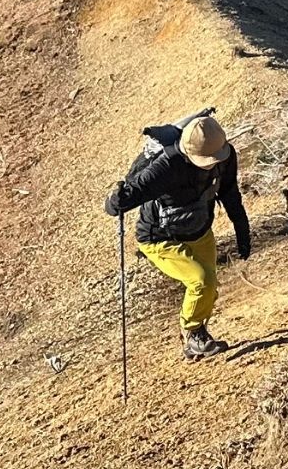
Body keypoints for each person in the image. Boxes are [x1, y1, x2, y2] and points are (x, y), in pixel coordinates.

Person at [104, 112, 252, 361]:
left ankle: (197, 334)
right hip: (160, 238)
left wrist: (242, 230)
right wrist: (116, 201)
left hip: (200, 231)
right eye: (207, 160)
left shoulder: (225, 155)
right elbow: (127, 196)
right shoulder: (167, 166)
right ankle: (194, 334)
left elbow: (229, 193)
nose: (213, 163)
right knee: (201, 281)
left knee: (209, 288)